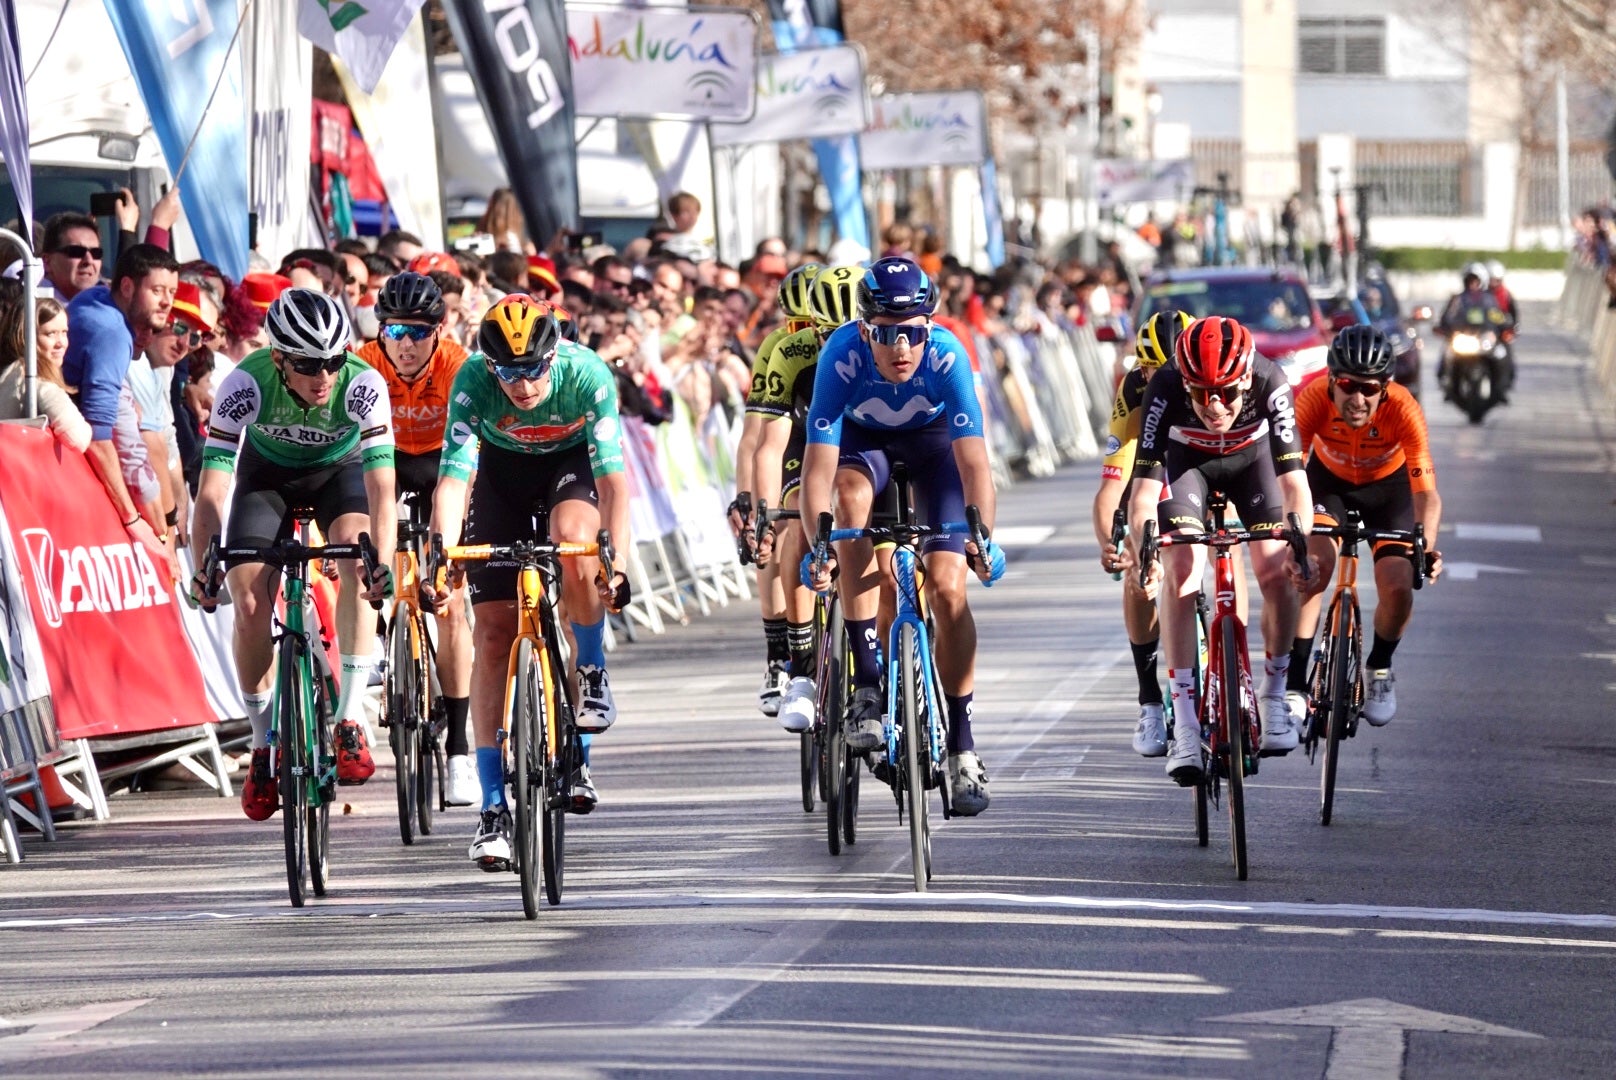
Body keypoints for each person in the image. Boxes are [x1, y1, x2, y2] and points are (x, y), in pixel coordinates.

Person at [420, 296, 630, 869]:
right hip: (502, 480)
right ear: (491, 367)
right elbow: (453, 480)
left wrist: (620, 563)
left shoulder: (586, 374)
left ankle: (588, 671)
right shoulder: (472, 381)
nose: (523, 384)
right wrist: (442, 553)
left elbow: (613, 484)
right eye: (509, 373)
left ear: (554, 353)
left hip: (571, 472)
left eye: (534, 369)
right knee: (491, 636)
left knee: (574, 540)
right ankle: (492, 808)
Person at [799, 257, 1004, 816]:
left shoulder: (947, 354)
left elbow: (975, 466)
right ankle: (867, 682)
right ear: (866, 331)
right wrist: (819, 545)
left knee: (948, 587)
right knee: (846, 503)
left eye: (913, 333)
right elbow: (816, 470)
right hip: (865, 448)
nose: (902, 348)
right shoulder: (840, 355)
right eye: (888, 335)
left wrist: (981, 536)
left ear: (928, 328)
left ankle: (962, 745)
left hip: (934, 447)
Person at [189, 288, 397, 821]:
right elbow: (212, 489)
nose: (323, 375)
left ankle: (349, 719)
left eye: (333, 360)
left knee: (356, 558)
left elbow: (380, 487)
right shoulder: (244, 384)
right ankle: (263, 745)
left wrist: (383, 564)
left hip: (340, 473)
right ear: (279, 358)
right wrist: (203, 565)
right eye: (308, 364)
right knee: (251, 602)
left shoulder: (363, 384)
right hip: (268, 478)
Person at [1127, 316, 1315, 784]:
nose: (1214, 406)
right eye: (1201, 393)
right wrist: (1145, 551)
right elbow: (1144, 493)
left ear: (1246, 379)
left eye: (1227, 393)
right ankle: (1187, 726)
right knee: (1183, 570)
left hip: (1254, 464)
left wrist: (1300, 545)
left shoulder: (1272, 380)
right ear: (1184, 383)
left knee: (1276, 569)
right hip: (1188, 466)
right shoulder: (1165, 385)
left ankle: (1273, 695)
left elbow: (1294, 484)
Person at [356, 271, 478, 807]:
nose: (404, 344)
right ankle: (385, 635)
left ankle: (458, 748)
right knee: (364, 554)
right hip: (381, 460)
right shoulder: (362, 362)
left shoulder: (458, 366)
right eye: (394, 331)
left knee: (448, 602)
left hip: (441, 466)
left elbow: (469, 465)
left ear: (439, 329)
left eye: (417, 332)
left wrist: (448, 543)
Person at [1285, 326, 1444, 725]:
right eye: (1347, 386)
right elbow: (1287, 473)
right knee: (1313, 567)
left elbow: (1426, 494)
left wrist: (1425, 546)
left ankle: (1379, 667)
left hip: (1388, 491)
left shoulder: (1404, 409)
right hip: (1328, 483)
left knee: (1398, 583)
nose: (1358, 400)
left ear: (1385, 389)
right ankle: (1294, 683)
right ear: (1330, 382)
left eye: (1369, 389)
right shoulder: (1311, 401)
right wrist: (1293, 535)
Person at [752, 265, 860, 732]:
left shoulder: (892, 349)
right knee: (798, 523)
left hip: (867, 440)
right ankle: (800, 666)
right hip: (808, 440)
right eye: (825, 335)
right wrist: (762, 514)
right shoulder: (787, 351)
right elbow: (768, 445)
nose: (837, 346)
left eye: (849, 334)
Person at [1092, 309, 1191, 756]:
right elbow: (1113, 483)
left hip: (1198, 466)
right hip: (1149, 469)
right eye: (1152, 367)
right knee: (1138, 568)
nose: (1161, 377)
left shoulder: (1209, 381)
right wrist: (1111, 545)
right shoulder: (1134, 388)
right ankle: (1150, 698)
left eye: (1170, 367)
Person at [730, 262, 821, 718]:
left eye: (812, 325)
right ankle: (777, 654)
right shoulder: (778, 347)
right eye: (796, 324)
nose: (803, 334)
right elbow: (755, 437)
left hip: (840, 439)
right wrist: (749, 503)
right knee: (778, 530)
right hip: (793, 441)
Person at [62, 243, 179, 576]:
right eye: (157, 290)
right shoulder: (113, 333)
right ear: (126, 287)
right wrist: (139, 523)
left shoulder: (94, 298)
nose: (167, 301)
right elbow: (105, 442)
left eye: (171, 291)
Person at [0, 289, 91, 448]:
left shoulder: (10, 371)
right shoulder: (35, 379)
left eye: (64, 332)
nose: (61, 343)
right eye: (51, 334)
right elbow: (78, 438)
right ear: (25, 336)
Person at [1437, 263, 1513, 403]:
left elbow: (1497, 316)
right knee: (1447, 354)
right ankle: (1447, 386)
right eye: (1470, 281)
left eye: (1476, 281)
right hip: (1463, 338)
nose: (1473, 284)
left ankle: (1502, 388)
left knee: (1502, 354)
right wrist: (1446, 328)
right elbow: (1447, 318)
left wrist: (1505, 324)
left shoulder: (1489, 300)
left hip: (1484, 339)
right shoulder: (1457, 300)